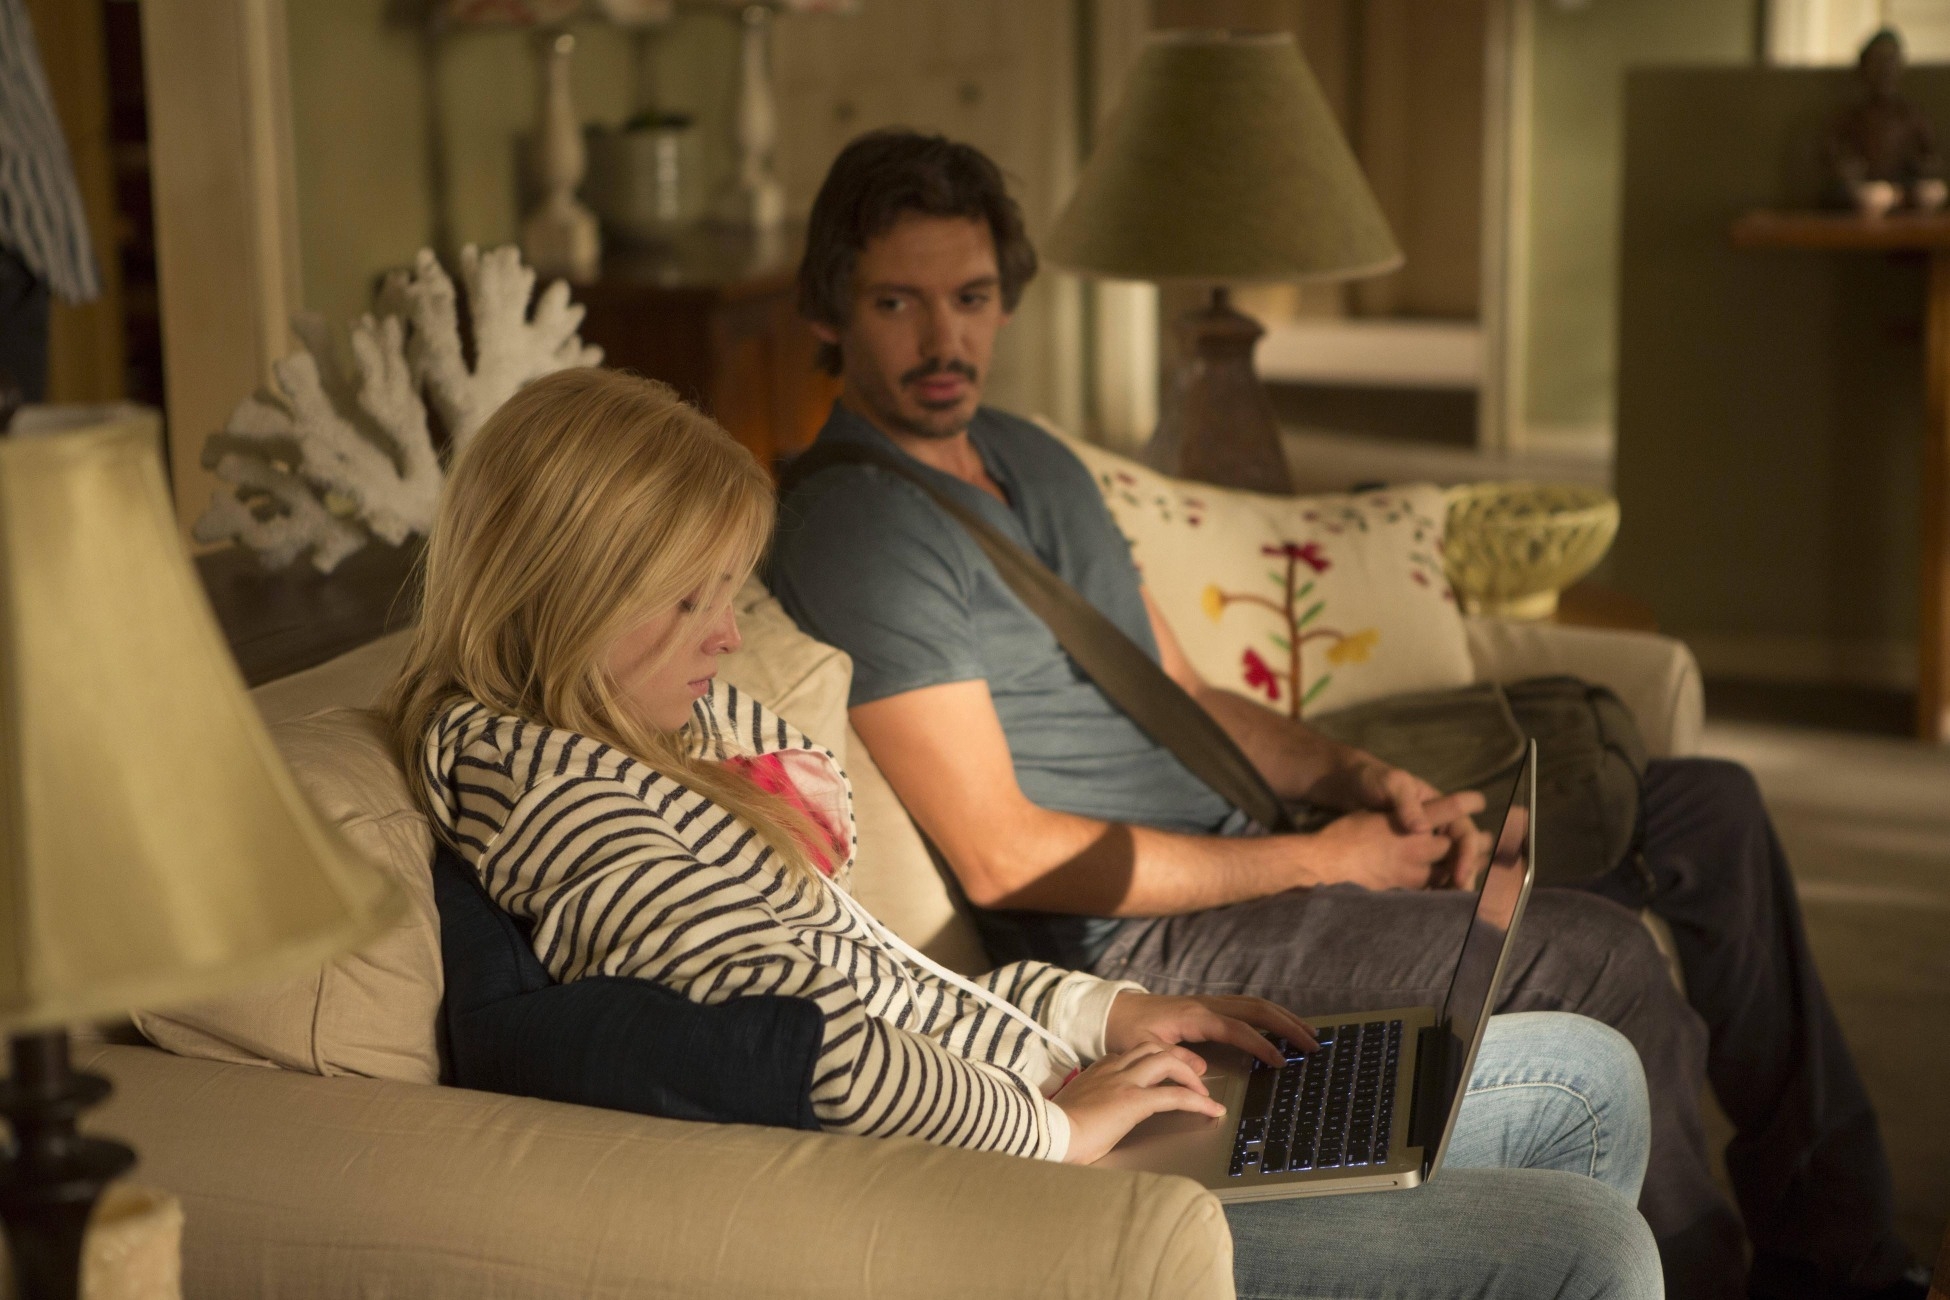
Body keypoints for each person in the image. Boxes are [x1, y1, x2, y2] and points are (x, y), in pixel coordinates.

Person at [765, 130, 1921, 1300]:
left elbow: (1189, 691)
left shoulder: (1027, 456)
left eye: (968, 298)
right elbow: (1007, 857)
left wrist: (1360, 781)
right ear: (830, 312)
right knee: (1601, 958)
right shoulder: (858, 525)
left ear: (1005, 299)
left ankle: (1845, 1262)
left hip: (1261, 843)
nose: (942, 340)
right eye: (897, 303)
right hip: (1145, 936)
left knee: (1708, 811)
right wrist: (1326, 861)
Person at [384, 366, 1661, 1300]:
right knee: (1593, 1248)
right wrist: (1058, 1126)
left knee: (1585, 1073)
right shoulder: (568, 804)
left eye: (728, 591)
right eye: (689, 600)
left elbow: (886, 983)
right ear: (568, 594)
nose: (730, 634)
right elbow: (820, 1054)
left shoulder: (652, 743)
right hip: (1022, 1195)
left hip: (1047, 1105)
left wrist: (1115, 1016)